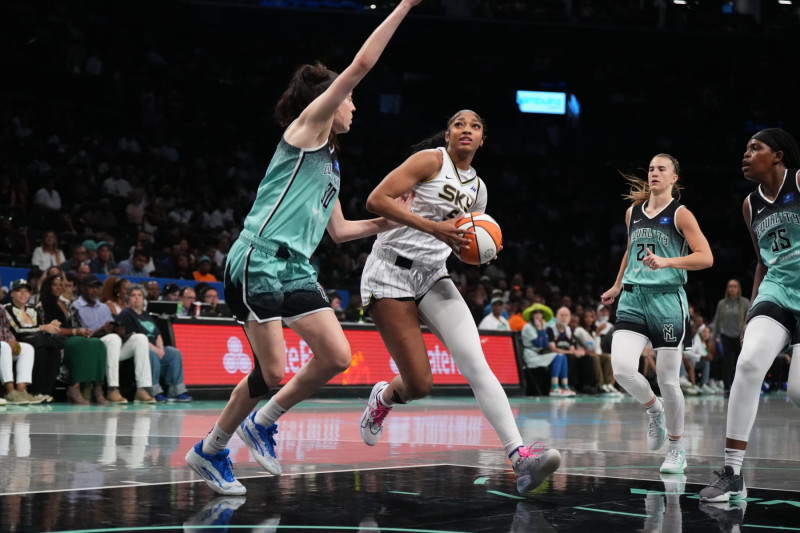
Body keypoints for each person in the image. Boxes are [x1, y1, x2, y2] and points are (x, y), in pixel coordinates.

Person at [185, 0, 423, 497]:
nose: (355, 106)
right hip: (258, 258)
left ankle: (263, 423)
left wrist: (394, 219)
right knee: (271, 371)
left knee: (337, 355)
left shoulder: (333, 165)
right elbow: (359, 66)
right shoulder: (306, 130)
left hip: (295, 268)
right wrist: (405, 6)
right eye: (350, 100)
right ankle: (211, 448)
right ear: (330, 101)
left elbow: (338, 232)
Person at [357, 109, 561, 495]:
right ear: (448, 135)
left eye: (476, 126)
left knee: (476, 364)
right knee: (419, 384)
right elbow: (375, 200)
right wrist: (433, 227)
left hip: (433, 274)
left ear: (483, 139)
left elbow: (468, 239)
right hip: (389, 273)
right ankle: (382, 398)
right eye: (459, 124)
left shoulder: (479, 190)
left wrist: (484, 250)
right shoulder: (430, 160)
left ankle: (521, 461)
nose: (466, 130)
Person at [700, 128, 800, 502]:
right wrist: (752, 311)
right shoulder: (750, 205)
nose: (746, 154)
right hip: (776, 289)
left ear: (778, 155)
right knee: (748, 364)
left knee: (797, 392)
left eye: (755, 148)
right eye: (745, 148)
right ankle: (732, 473)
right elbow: (761, 260)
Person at [601, 153, 713, 475]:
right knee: (622, 368)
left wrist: (666, 262)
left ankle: (677, 449)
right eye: (650, 168)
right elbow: (629, 251)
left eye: (661, 169)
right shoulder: (632, 212)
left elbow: (706, 257)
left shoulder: (681, 214)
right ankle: (654, 410)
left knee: (668, 380)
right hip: (633, 299)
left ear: (674, 178)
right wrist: (617, 284)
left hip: (667, 301)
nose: (654, 172)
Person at [72, 274, 155, 404]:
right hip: (90, 346)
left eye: (97, 287)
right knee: (112, 339)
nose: (94, 290)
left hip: (111, 346)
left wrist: (119, 330)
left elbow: (113, 328)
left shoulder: (104, 307)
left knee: (140, 338)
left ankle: (142, 389)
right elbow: (77, 333)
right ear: (82, 288)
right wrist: (100, 331)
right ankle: (112, 389)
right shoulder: (75, 307)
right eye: (91, 287)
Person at [38, 273, 108, 405]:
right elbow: (52, 329)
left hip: (73, 337)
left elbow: (76, 323)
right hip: (54, 338)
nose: (58, 288)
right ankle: (74, 388)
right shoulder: (42, 304)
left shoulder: (68, 304)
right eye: (54, 285)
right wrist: (76, 332)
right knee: (79, 343)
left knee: (97, 343)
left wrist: (83, 331)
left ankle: (98, 388)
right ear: (48, 287)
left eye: (61, 285)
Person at [116, 284, 192, 403]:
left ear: (143, 299)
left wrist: (161, 349)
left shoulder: (146, 314)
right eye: (133, 295)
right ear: (128, 299)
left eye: (139, 295)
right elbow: (133, 336)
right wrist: (156, 350)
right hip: (138, 350)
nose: (137, 298)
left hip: (155, 347)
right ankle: (153, 391)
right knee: (150, 353)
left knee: (174, 353)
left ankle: (176, 390)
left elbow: (157, 334)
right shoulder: (126, 314)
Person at [4, 279, 62, 400]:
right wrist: (44, 328)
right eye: (19, 291)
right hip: (17, 342)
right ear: (12, 294)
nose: (23, 294)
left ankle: (45, 391)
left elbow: (42, 327)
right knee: (38, 346)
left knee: (54, 349)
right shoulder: (7, 309)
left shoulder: (33, 309)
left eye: (26, 291)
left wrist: (51, 325)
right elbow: (18, 330)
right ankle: (36, 391)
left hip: (37, 339)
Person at [520, 303, 573, 396]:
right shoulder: (528, 327)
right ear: (532, 315)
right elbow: (539, 343)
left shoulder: (541, 326)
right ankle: (554, 388)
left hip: (539, 355)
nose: (538, 314)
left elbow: (545, 344)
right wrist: (541, 329)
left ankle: (565, 386)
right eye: (535, 312)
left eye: (540, 312)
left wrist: (542, 328)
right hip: (530, 357)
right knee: (558, 356)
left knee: (562, 356)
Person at [708, 279, 750, 395]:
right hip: (726, 335)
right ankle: (727, 387)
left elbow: (749, 319)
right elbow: (716, 322)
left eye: (735, 286)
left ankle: (741, 386)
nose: (732, 288)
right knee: (727, 362)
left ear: (738, 289)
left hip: (741, 337)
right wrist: (712, 340)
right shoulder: (722, 304)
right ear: (727, 288)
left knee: (740, 362)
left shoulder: (745, 302)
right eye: (730, 286)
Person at [1, 305, 42, 404]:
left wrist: (12, 340)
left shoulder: (1, 309)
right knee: (4, 347)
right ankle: (10, 392)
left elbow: (6, 329)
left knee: (27, 348)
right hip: (2, 345)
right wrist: (5, 341)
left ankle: (21, 391)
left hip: (3, 343)